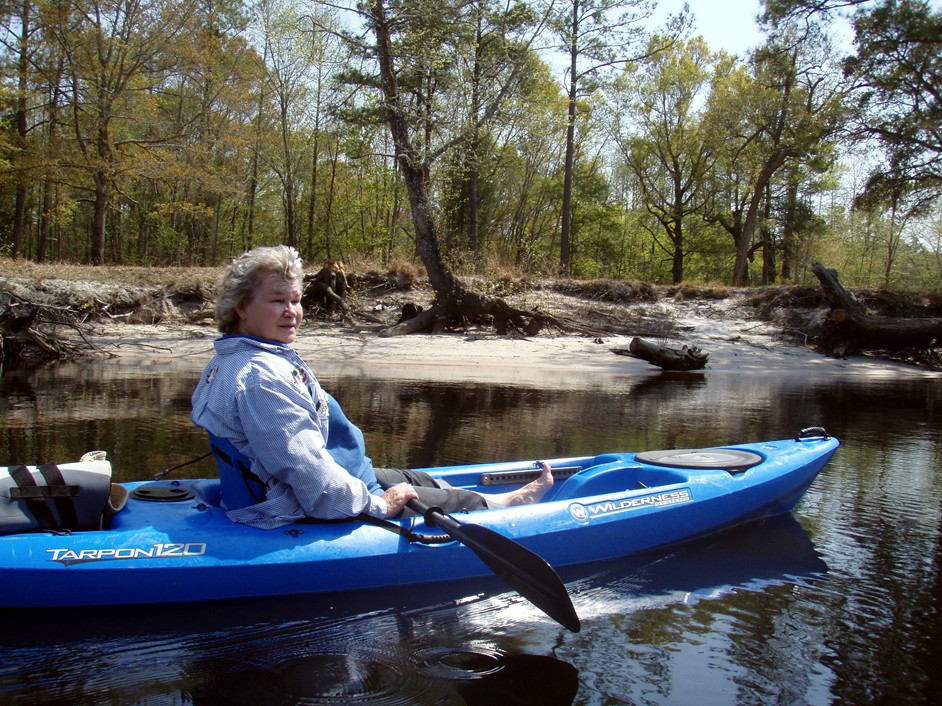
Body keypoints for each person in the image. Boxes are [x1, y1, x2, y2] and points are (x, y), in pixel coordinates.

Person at [191, 245, 553, 529]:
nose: (292, 311)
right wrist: (379, 505)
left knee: (415, 477)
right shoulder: (261, 378)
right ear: (241, 307)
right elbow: (310, 478)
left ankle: (454, 494)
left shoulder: (237, 358)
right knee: (417, 495)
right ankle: (505, 506)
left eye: (296, 300)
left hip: (340, 472)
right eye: (277, 301)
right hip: (298, 504)